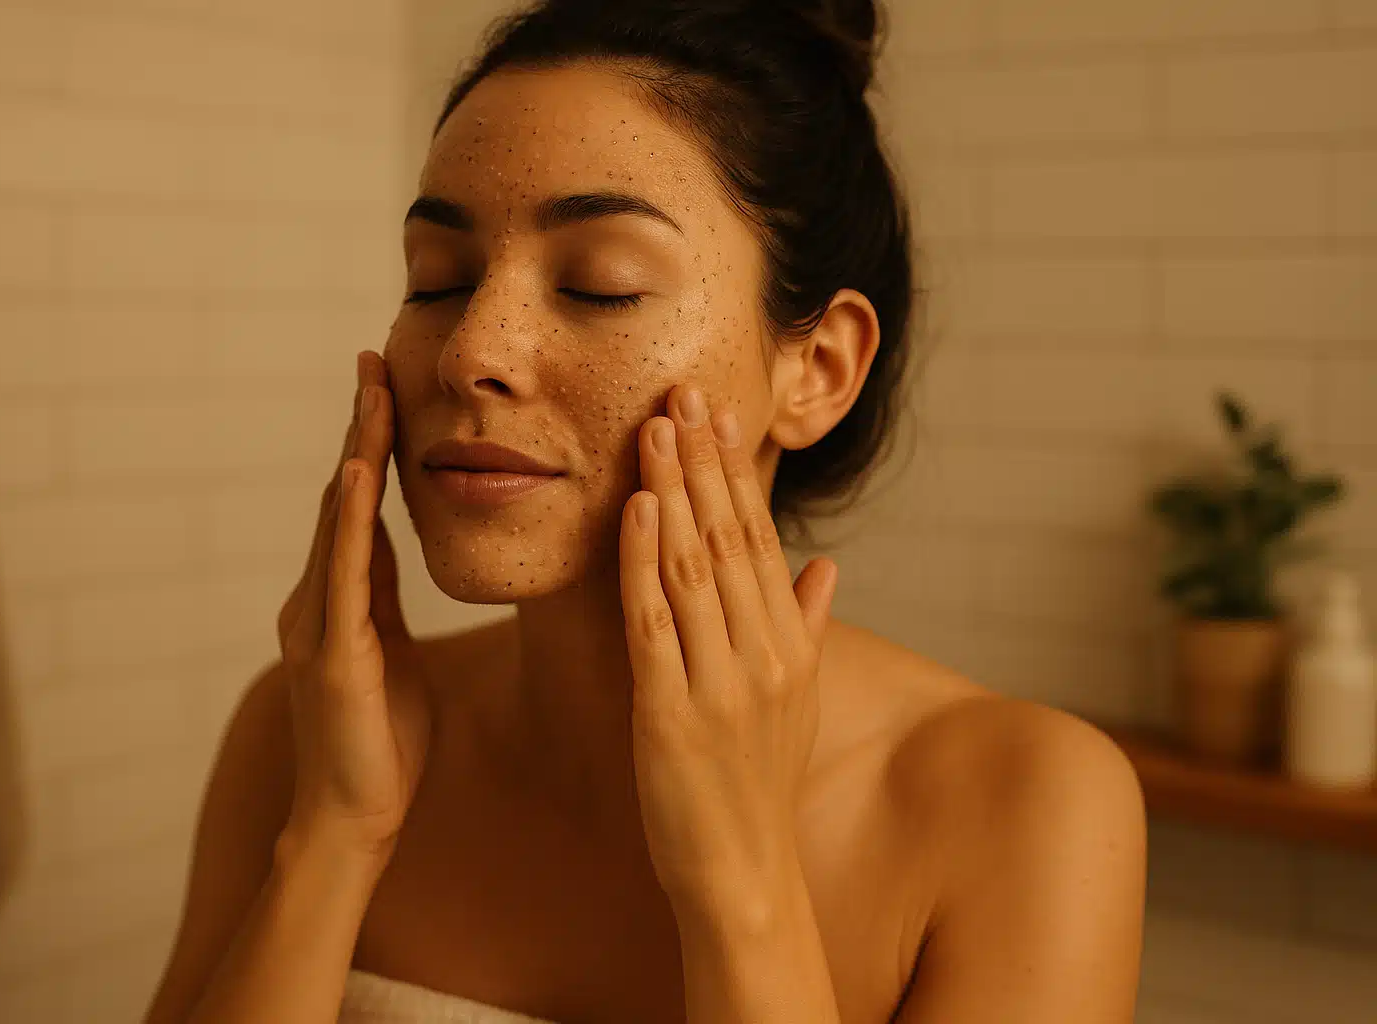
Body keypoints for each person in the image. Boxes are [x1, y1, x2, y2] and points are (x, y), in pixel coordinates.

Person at [142, 1, 1147, 1022]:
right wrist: (335, 836)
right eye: (439, 281)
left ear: (819, 369)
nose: (470, 351)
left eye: (600, 284)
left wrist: (739, 878)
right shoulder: (304, 730)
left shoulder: (1023, 805)